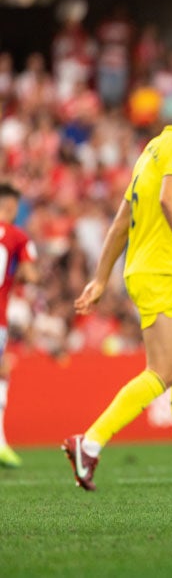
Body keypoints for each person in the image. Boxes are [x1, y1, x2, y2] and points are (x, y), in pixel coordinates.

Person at [65, 97, 172, 490]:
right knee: (162, 372)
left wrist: (100, 279)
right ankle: (89, 443)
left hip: (151, 270)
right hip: (163, 271)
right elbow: (168, 198)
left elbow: (121, 219)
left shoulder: (153, 149)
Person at [0, 184, 39, 468]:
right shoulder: (18, 236)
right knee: (2, 373)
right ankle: (0, 443)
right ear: (12, 207)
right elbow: (30, 275)